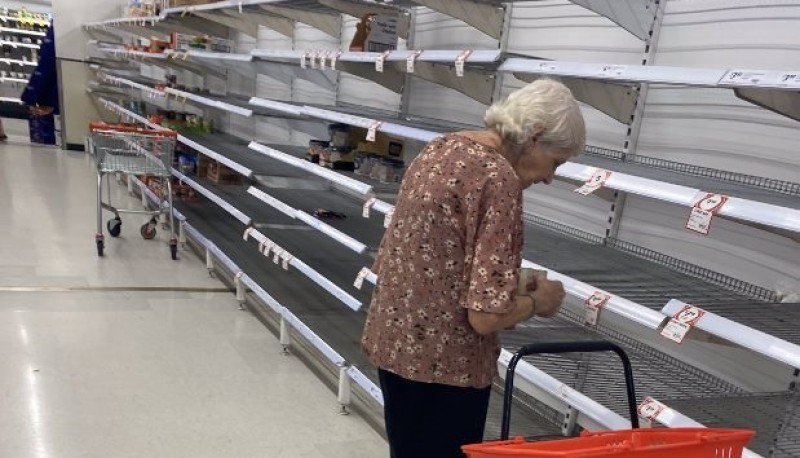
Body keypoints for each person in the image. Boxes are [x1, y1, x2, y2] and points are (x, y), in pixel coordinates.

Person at [361, 78, 586, 458]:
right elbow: (482, 317)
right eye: (556, 163)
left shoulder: (440, 149)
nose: (550, 177)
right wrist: (539, 302)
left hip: (395, 347)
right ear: (535, 135)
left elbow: (432, 259)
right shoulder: (499, 179)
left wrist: (514, 282)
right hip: (447, 369)